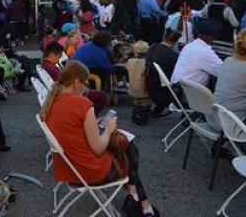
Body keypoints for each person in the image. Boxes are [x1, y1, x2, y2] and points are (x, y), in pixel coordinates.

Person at [41, 61, 159, 217]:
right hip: (90, 173)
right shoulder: (82, 103)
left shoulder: (51, 102)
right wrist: (109, 128)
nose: (87, 87)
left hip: (69, 170)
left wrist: (92, 125)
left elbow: (71, 128)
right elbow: (98, 148)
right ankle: (141, 202)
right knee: (128, 147)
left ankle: (138, 198)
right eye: (85, 83)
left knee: (126, 147)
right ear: (76, 83)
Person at [42, 42, 109, 116]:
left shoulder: (46, 66)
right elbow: (65, 82)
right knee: (103, 97)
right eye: (58, 57)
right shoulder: (52, 69)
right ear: (51, 54)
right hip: (72, 92)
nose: (58, 60)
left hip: (69, 91)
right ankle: (89, 117)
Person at [171, 18, 223, 88]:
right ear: (213, 36)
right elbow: (224, 72)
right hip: (186, 93)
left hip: (177, 88)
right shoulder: (204, 52)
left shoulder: (190, 45)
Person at [145, 31, 181, 115]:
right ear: (175, 42)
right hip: (164, 85)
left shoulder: (151, 48)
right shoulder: (173, 54)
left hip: (151, 82)